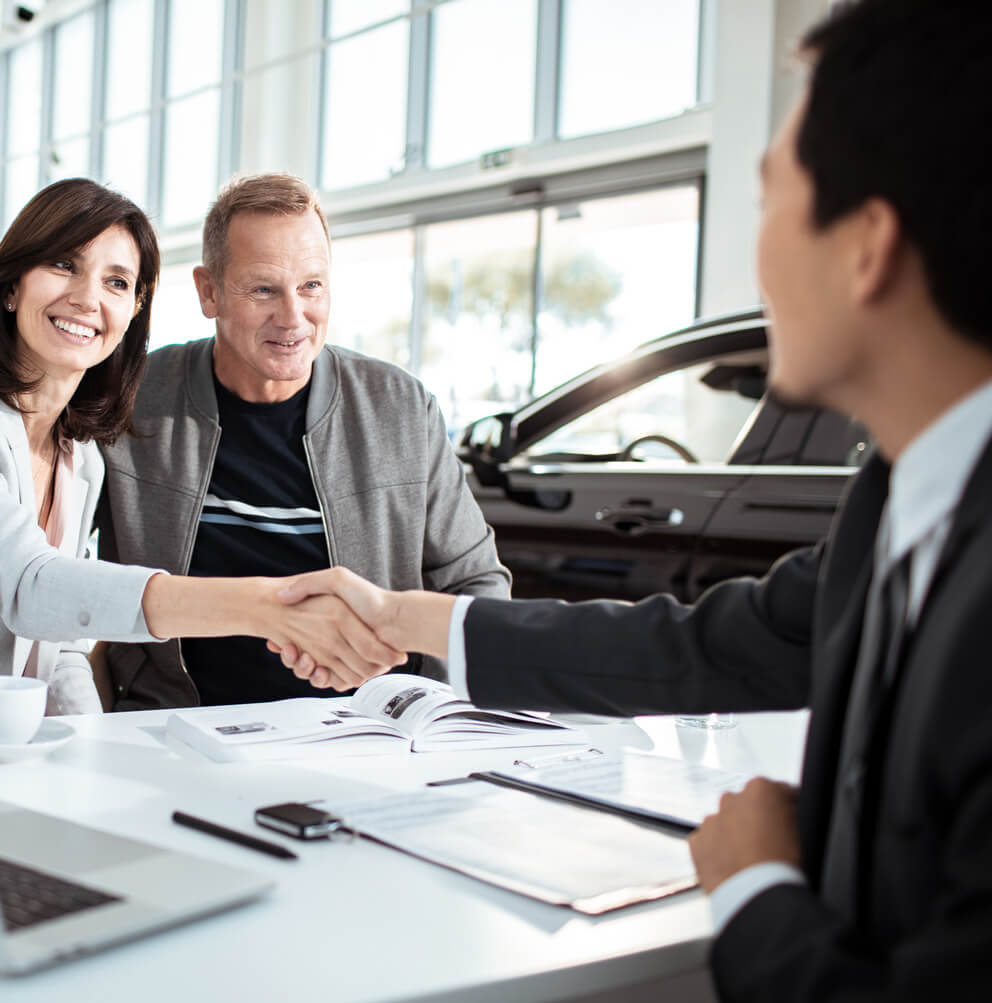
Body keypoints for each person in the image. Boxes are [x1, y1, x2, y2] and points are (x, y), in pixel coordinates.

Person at [276, 1, 992, 996]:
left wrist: (755, 890)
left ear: (865, 247)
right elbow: (702, 645)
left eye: (770, 199)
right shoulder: (896, 498)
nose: (756, 254)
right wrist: (405, 618)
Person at [0, 174, 511, 711]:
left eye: (312, 286)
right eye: (263, 288)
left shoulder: (82, 447)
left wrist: (438, 707)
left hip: (363, 727)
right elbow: (38, 583)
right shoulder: (122, 411)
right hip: (151, 729)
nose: (292, 314)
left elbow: (60, 638)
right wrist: (267, 606)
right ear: (207, 292)